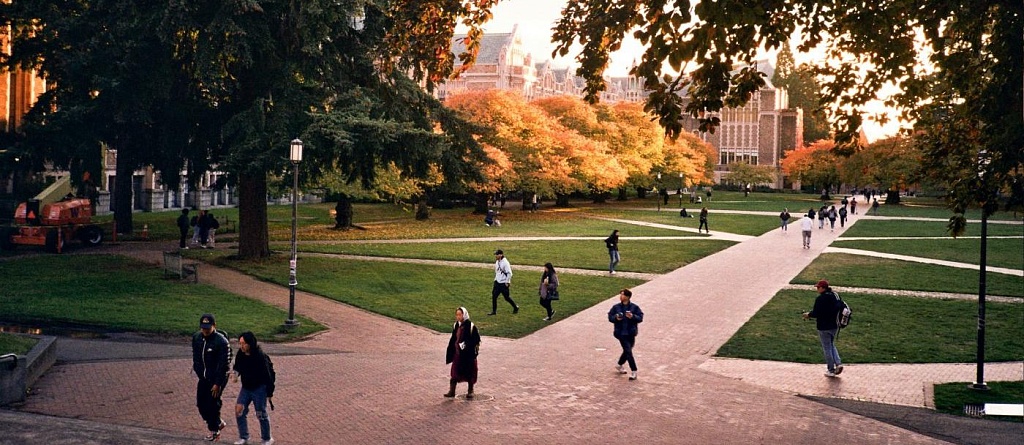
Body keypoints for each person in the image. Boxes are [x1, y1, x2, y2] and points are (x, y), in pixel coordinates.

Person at [192, 314, 232, 441]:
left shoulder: (221, 342)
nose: (205, 331)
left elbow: (224, 365)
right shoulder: (197, 338)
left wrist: (217, 383)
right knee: (201, 403)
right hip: (204, 377)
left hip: (217, 378)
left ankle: (214, 430)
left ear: (214, 326)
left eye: (208, 328)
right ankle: (217, 422)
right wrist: (198, 371)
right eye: (203, 328)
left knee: (212, 403)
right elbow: (196, 357)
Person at [232, 332, 276, 445]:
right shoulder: (241, 354)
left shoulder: (260, 356)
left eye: (244, 344)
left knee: (261, 413)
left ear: (250, 344)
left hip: (259, 388)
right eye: (240, 343)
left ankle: (267, 438)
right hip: (246, 387)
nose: (241, 346)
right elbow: (237, 366)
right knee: (239, 410)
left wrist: (269, 392)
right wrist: (235, 374)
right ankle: (244, 437)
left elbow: (268, 375)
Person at [802, 280, 844, 377]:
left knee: (827, 348)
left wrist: (808, 315)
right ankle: (838, 363)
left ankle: (831, 369)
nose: (817, 289)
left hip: (823, 327)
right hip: (835, 325)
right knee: (832, 345)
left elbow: (816, 313)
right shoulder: (835, 295)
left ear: (822, 288)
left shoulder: (820, 299)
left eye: (818, 287)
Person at [444, 307, 481, 399]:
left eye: (460, 315)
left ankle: (470, 391)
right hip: (458, 354)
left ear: (464, 315)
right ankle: (452, 391)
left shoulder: (471, 326)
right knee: (455, 372)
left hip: (468, 355)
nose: (458, 317)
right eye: (457, 315)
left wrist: (466, 344)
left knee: (470, 372)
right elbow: (453, 338)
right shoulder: (456, 325)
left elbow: (476, 339)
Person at [608, 289, 643, 380]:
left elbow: (640, 318)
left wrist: (632, 316)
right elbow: (610, 317)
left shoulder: (635, 307)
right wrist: (616, 318)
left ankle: (619, 364)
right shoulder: (616, 307)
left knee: (628, 350)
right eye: (620, 295)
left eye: (623, 295)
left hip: (631, 333)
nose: (621, 296)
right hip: (620, 333)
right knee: (628, 351)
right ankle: (634, 370)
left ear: (627, 297)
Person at [488, 250, 518, 315]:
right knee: (494, 296)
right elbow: (497, 272)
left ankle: (515, 307)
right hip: (497, 282)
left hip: (503, 283)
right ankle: (494, 311)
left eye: (497, 254)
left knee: (506, 297)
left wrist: (507, 282)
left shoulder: (505, 263)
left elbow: (509, 273)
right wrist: (495, 279)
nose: (495, 256)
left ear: (501, 255)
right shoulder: (497, 262)